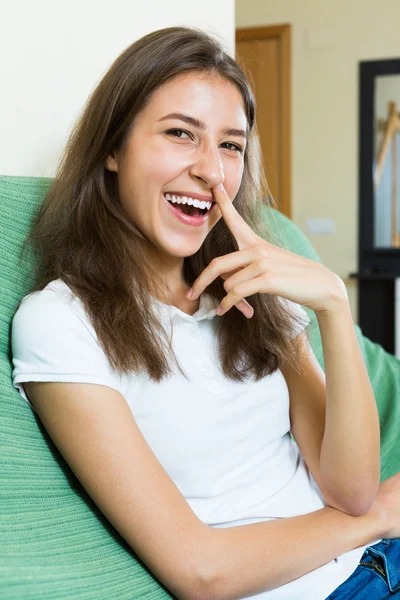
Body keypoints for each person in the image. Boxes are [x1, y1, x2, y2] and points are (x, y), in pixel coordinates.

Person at [10, 25, 400, 600]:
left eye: (231, 145)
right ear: (113, 149)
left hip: (378, 559)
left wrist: (335, 309)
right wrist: (384, 517)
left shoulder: (253, 289)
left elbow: (351, 488)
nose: (212, 172)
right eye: (180, 134)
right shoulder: (61, 323)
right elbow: (201, 573)